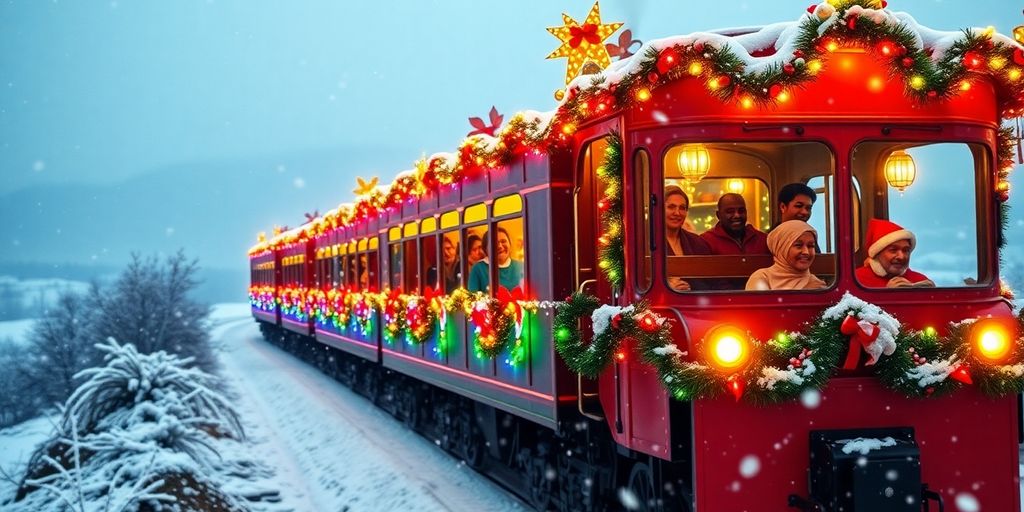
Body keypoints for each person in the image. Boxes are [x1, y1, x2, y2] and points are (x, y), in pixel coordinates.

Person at [745, 220, 826, 291]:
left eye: (811, 246)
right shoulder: (762, 278)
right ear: (781, 248)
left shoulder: (818, 286)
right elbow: (765, 307)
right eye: (798, 245)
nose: (806, 252)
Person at [854, 219, 935, 288]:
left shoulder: (920, 280)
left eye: (906, 250)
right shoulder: (857, 281)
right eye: (893, 250)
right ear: (877, 253)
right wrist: (887, 295)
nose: (901, 256)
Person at [663, 186, 711, 291]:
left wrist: (691, 288)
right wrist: (667, 287)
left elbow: (709, 282)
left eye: (682, 208)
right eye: (671, 207)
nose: (677, 213)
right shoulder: (646, 242)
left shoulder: (697, 242)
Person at [700, 193, 770, 255]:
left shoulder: (763, 239)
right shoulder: (706, 241)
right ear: (718, 215)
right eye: (730, 211)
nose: (737, 215)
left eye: (741, 211)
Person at [467, 227, 524, 293]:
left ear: (510, 244)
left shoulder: (521, 266)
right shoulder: (478, 269)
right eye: (494, 242)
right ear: (485, 249)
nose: (500, 246)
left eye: (503, 241)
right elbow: (472, 299)